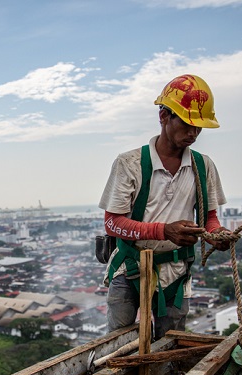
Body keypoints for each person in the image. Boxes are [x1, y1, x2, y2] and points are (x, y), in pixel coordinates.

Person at [98, 74, 231, 339]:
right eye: (186, 123)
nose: (193, 133)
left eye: (198, 127)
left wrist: (216, 234)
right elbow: (112, 223)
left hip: (176, 272)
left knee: (170, 349)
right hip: (130, 267)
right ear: (163, 117)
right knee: (118, 345)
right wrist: (163, 231)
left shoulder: (203, 166)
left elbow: (209, 218)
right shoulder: (130, 163)